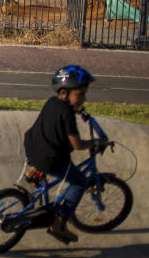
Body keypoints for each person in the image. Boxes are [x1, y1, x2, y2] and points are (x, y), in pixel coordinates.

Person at [23, 65, 106, 244]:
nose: (83, 98)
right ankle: (59, 223)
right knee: (80, 182)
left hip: (32, 147)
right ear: (63, 93)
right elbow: (77, 145)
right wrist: (97, 142)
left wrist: (78, 110)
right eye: (80, 95)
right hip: (50, 160)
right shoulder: (67, 114)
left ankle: (34, 172)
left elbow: (60, 120)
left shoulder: (52, 103)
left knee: (63, 145)